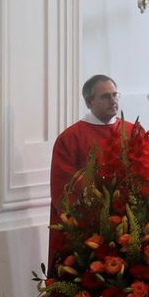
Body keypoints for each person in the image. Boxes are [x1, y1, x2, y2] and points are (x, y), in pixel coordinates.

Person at [51, 75, 131, 224]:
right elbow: (63, 185)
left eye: (115, 95)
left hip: (130, 216)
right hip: (90, 222)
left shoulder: (132, 131)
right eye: (105, 96)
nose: (113, 101)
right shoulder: (70, 138)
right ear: (89, 102)